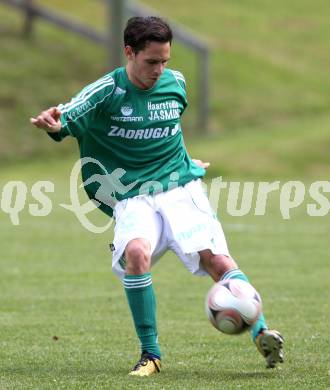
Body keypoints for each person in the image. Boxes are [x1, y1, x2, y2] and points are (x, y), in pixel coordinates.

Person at [30, 16, 284, 376]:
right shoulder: (106, 91)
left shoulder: (175, 84)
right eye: (152, 62)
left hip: (180, 186)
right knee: (136, 253)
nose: (159, 70)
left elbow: (168, 131)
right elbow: (67, 116)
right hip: (132, 195)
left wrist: (184, 162)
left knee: (219, 262)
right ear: (129, 52)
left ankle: (261, 332)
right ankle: (151, 354)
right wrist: (54, 125)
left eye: (165, 60)